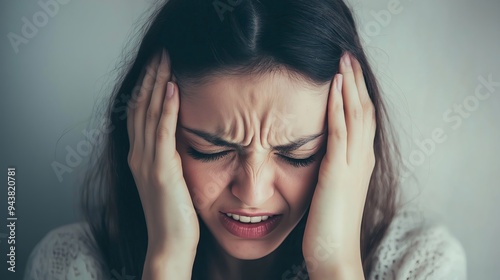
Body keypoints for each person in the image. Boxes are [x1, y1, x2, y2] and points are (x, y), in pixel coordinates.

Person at [24, 0, 467, 279]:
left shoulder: (420, 264)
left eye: (298, 154)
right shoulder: (71, 265)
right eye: (211, 150)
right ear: (146, 134)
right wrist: (166, 262)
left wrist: (335, 266)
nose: (252, 193)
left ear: (348, 144)